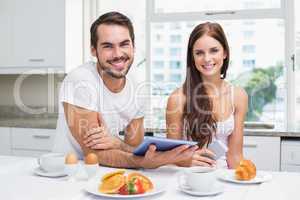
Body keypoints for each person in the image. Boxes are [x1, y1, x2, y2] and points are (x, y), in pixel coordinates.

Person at [53, 11, 197, 169]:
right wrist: (149, 161)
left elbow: (134, 148)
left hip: (110, 172)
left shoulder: (138, 87)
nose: (118, 54)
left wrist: (116, 143)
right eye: (108, 46)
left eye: (124, 44)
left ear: (133, 46)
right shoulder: (81, 81)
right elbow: (94, 153)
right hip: (70, 174)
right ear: (94, 50)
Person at [166, 22, 248, 169]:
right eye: (199, 53)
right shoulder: (178, 98)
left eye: (214, 50)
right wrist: (185, 160)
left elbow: (235, 155)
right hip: (188, 177)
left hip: (223, 178)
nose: (207, 59)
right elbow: (171, 155)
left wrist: (244, 178)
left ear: (224, 53)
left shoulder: (238, 96)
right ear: (192, 57)